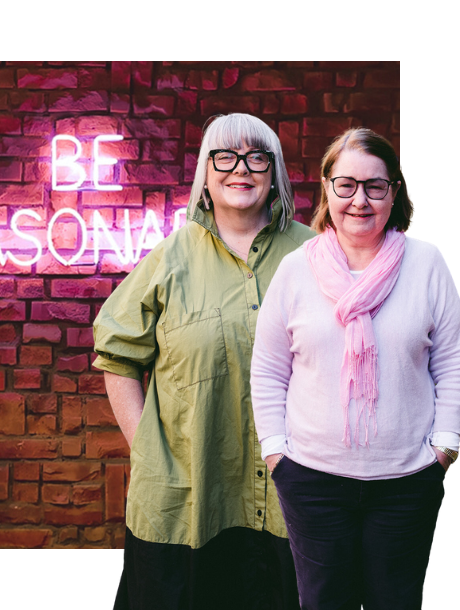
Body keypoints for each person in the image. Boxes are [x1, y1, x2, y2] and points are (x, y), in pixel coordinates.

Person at [93, 113, 314, 610]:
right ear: (206, 172)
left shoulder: (314, 254)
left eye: (257, 156)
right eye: (226, 156)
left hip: (290, 499)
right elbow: (116, 355)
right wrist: (145, 446)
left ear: (274, 171)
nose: (242, 168)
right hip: (187, 499)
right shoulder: (170, 258)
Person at [250, 127, 460, 610]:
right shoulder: (296, 269)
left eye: (375, 186)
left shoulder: (426, 264)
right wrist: (276, 454)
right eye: (346, 185)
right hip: (312, 480)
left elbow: (452, 362)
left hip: (406, 481)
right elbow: (267, 371)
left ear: (394, 191)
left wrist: (445, 448)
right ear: (327, 188)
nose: (359, 200)